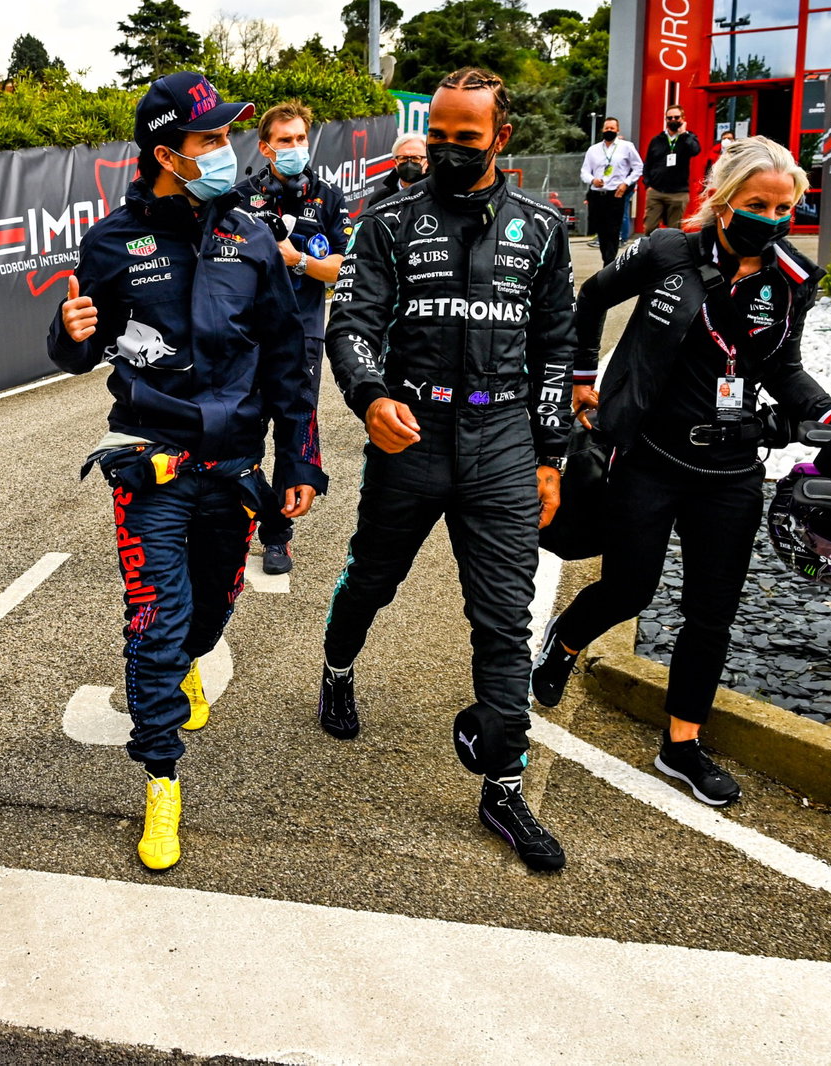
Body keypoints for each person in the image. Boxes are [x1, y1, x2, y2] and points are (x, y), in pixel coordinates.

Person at [530, 136, 831, 806]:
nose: (771, 218)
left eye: (784, 207)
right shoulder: (666, 253)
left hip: (732, 471)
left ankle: (681, 745)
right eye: (757, 203)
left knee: (711, 613)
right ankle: (564, 644)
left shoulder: (791, 281)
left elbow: (784, 367)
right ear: (723, 201)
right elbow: (590, 299)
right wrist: (579, 381)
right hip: (649, 456)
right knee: (630, 587)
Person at [49, 72, 326, 871]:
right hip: (148, 466)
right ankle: (161, 780)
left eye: (227, 136)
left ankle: (194, 658)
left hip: (235, 468)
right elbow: (78, 349)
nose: (225, 151)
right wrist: (68, 334)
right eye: (209, 140)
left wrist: (299, 457)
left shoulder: (249, 239)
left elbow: (285, 359)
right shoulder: (110, 243)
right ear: (167, 154)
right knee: (157, 625)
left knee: (212, 611)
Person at [322, 68, 576, 873]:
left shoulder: (542, 228)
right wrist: (368, 396)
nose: (447, 152)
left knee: (503, 621)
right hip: (413, 434)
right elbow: (352, 325)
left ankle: (503, 783)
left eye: (465, 140)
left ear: (501, 139)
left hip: (501, 435)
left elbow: (558, 350)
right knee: (373, 578)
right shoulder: (390, 219)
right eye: (437, 137)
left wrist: (551, 454)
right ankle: (336, 667)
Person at [237, 100, 352, 574]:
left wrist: (297, 260)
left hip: (303, 333)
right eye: (285, 141)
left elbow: (344, 268)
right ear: (265, 148)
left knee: (294, 428)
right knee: (242, 428)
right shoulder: (241, 196)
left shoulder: (328, 196)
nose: (295, 148)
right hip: (247, 335)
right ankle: (236, 515)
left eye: (300, 138)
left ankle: (278, 535)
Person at [580, 116, 642, 264]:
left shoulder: (627, 147)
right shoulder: (593, 150)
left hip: (615, 194)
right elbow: (584, 171)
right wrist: (592, 180)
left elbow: (638, 167)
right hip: (598, 194)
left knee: (613, 230)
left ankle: (609, 262)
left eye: (612, 128)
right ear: (602, 129)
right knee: (601, 231)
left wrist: (626, 183)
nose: (609, 131)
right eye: (606, 128)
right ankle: (605, 259)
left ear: (617, 130)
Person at [641, 103, 701, 232]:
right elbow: (648, 163)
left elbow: (695, 150)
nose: (673, 120)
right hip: (656, 191)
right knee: (650, 228)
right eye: (670, 118)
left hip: (678, 193)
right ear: (666, 120)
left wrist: (684, 133)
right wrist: (648, 184)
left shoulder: (688, 138)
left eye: (676, 117)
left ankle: (670, 252)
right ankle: (652, 251)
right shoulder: (657, 140)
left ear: (683, 118)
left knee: (673, 231)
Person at [375, 131, 428, 200]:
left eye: (416, 158)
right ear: (395, 162)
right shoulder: (380, 199)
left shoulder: (439, 198)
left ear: (427, 162)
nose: (409, 164)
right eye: (403, 158)